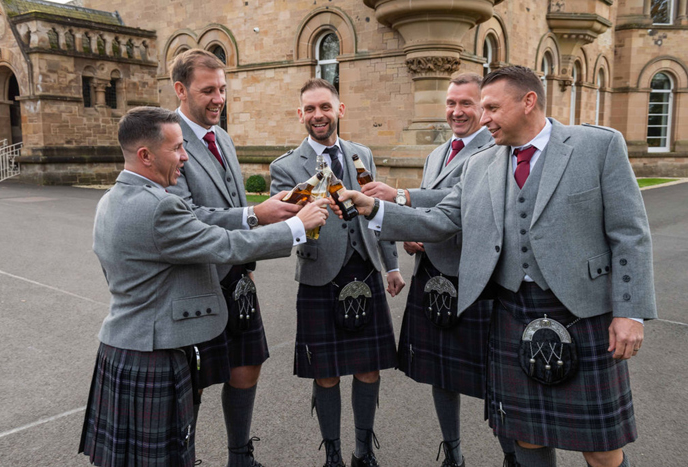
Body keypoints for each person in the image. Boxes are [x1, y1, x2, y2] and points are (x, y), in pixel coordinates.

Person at [340, 66, 656, 467]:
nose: (482, 117)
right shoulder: (481, 164)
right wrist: (375, 209)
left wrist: (629, 311)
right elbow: (441, 220)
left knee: (600, 447)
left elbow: (629, 233)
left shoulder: (597, 146)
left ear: (528, 102)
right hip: (511, 310)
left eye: (491, 107)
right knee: (525, 437)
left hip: (584, 313)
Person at [79, 106, 328, 467]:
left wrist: (259, 213)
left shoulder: (111, 199)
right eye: (177, 148)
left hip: (124, 345)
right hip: (155, 351)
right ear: (146, 156)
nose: (184, 157)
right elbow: (225, 245)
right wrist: (297, 227)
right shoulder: (159, 207)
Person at [360, 72, 517, 467]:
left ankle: (514, 457)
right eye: (451, 103)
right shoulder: (435, 155)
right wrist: (416, 234)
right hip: (433, 276)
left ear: (484, 107)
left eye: (467, 103)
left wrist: (402, 196)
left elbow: (461, 202)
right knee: (442, 376)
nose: (457, 111)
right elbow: (437, 216)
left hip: (474, 281)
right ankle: (454, 453)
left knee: (496, 381)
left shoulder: (496, 148)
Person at [167, 49, 301, 467]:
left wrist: (248, 267)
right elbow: (186, 216)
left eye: (222, 89)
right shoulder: (167, 138)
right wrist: (255, 214)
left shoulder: (221, 135)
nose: (218, 98)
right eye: (208, 90)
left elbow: (235, 199)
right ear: (180, 89)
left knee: (247, 365)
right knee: (196, 380)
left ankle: (240, 456)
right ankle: (182, 458)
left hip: (236, 277)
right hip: (197, 280)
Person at [269, 78, 405, 467]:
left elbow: (379, 216)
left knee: (368, 368)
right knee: (325, 373)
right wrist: (303, 209)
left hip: (365, 271)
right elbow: (288, 225)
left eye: (325, 107)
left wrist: (391, 265)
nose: (318, 116)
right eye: (310, 109)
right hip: (319, 276)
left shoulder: (362, 153)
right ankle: (332, 454)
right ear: (300, 115)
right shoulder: (285, 167)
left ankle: (363, 450)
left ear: (339, 110)